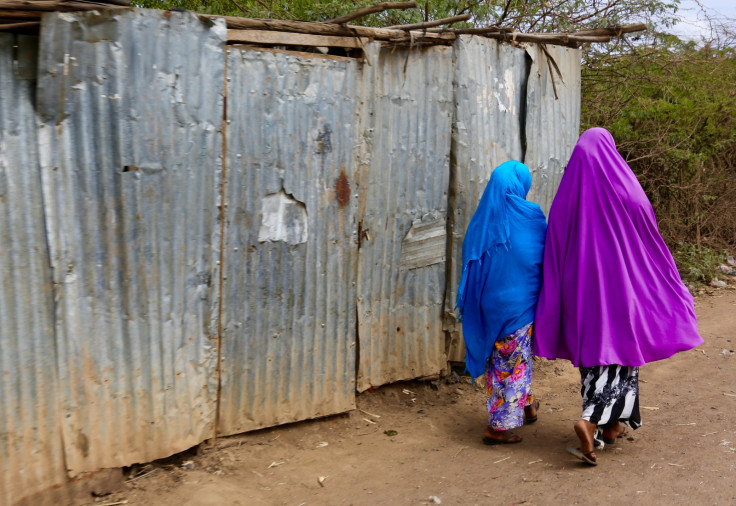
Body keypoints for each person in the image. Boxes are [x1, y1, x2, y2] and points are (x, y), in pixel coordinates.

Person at [534, 127, 703, 465]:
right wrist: (662, 276)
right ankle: (591, 419)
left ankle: (612, 426)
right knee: (620, 349)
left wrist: (555, 295)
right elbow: (648, 235)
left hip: (580, 292)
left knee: (594, 351)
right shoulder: (627, 189)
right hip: (621, 288)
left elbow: (553, 248)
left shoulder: (566, 197)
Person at [456, 161, 547, 444]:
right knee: (512, 360)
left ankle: (527, 405)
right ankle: (498, 427)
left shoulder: (481, 222)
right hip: (519, 306)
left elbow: (471, 266)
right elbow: (543, 258)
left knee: (512, 357)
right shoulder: (531, 217)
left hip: (489, 305)